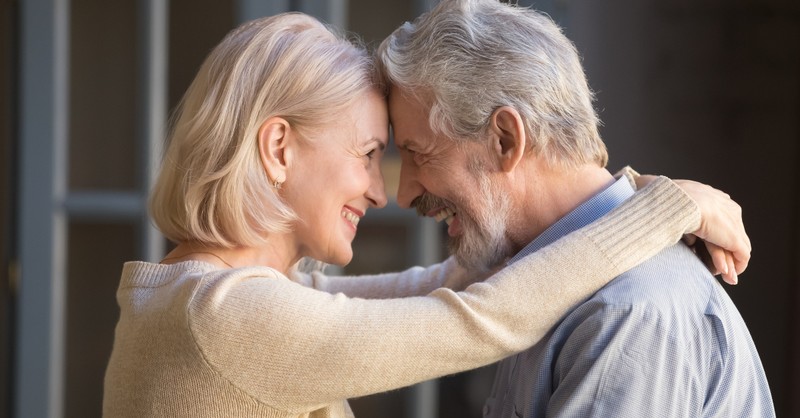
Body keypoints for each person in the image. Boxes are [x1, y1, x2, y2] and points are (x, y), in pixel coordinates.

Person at [102, 11, 750, 418]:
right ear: (278, 149)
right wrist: (665, 205)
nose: (388, 192)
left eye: (407, 153)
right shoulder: (233, 318)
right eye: (370, 155)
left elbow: (439, 290)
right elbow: (483, 316)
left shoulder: (197, 298)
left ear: (505, 141)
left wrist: (639, 197)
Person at [376, 0, 773, 416]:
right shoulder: (534, 273)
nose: (402, 195)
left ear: (505, 140)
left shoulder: (625, 313)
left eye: (417, 153)